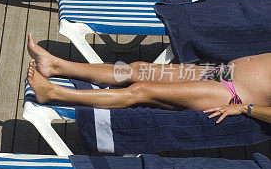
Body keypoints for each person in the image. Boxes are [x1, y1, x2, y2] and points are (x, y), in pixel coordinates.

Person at [25, 34, 271, 113]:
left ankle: (54, 93)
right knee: (138, 69)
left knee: (140, 91)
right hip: (224, 73)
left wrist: (245, 109)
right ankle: (57, 65)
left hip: (231, 93)